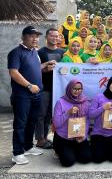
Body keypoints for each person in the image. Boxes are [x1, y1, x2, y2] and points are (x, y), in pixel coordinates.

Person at [8, 26, 52, 164]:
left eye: (37, 36)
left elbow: (33, 68)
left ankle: (27, 147)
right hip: (22, 95)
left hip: (36, 94)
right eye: (32, 36)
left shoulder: (35, 52)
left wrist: (46, 66)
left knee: (32, 122)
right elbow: (14, 72)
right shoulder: (16, 52)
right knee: (21, 123)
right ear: (23, 37)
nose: (35, 39)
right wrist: (29, 85)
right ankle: (17, 152)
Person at [35, 29, 65, 149]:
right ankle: (39, 139)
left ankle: (46, 137)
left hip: (59, 88)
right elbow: (35, 69)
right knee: (41, 114)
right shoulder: (40, 52)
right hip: (44, 87)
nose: (54, 38)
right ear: (47, 37)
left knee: (49, 114)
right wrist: (46, 69)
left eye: (56, 36)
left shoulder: (63, 52)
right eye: (52, 36)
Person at [53, 79, 91, 167]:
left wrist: (84, 135)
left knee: (86, 159)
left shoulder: (84, 102)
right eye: (74, 89)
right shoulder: (60, 102)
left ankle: (72, 151)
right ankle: (59, 149)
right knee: (68, 162)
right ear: (69, 88)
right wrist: (68, 113)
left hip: (78, 136)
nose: (77, 91)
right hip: (64, 137)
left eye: (79, 89)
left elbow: (87, 120)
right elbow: (56, 123)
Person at [89, 75, 112, 163]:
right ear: (109, 84)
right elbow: (91, 115)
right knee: (98, 159)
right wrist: (103, 107)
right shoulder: (98, 97)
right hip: (99, 133)